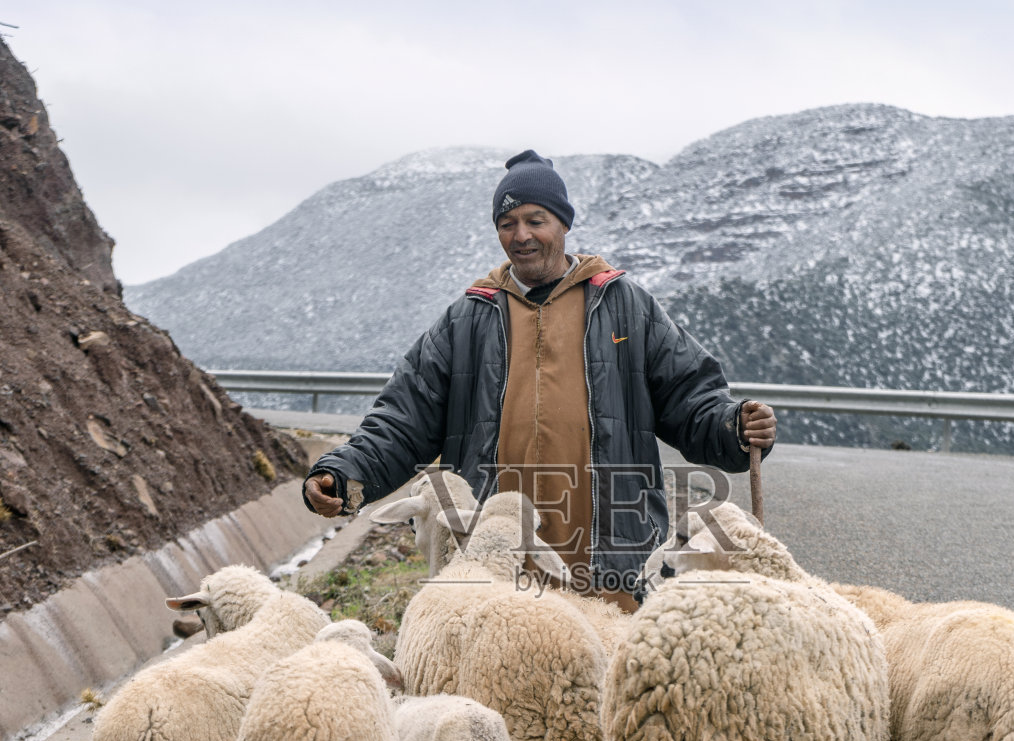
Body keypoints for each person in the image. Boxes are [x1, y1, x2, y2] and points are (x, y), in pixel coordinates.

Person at [304, 149, 775, 609]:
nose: (521, 235)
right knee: (503, 671)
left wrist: (732, 428)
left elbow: (690, 396)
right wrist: (345, 474)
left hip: (610, 558)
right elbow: (402, 421)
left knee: (605, 677)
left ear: (563, 224)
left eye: (535, 220)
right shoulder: (466, 320)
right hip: (495, 561)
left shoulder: (625, 306)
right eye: (507, 224)